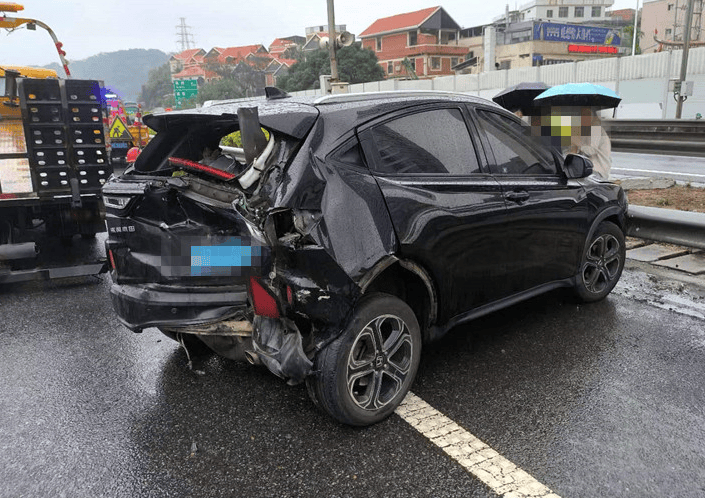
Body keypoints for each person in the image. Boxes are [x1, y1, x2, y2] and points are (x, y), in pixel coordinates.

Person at [568, 107, 612, 180]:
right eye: (582, 115)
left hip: (597, 171)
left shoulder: (596, 128)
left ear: (593, 116)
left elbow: (591, 151)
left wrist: (578, 143)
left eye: (587, 115)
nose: (584, 118)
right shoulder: (586, 130)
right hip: (588, 169)